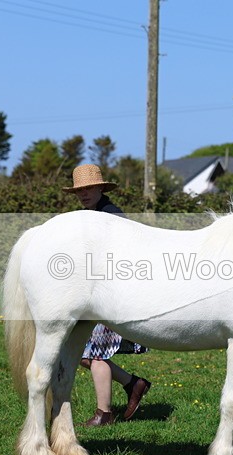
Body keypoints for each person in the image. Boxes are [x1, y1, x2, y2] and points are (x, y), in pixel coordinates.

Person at [63, 164, 152, 426]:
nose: (84, 194)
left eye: (89, 188)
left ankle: (104, 414)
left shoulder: (112, 216)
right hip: (93, 292)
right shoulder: (86, 216)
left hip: (109, 293)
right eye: (80, 190)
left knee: (96, 354)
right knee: (83, 353)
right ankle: (133, 383)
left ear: (101, 187)